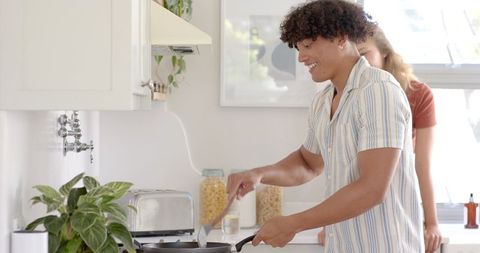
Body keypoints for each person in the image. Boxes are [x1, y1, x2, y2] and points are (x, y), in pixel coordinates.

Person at [226, 0, 424, 252]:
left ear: (341, 38)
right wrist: (259, 174)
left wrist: (294, 223)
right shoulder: (323, 101)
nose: (301, 57)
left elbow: (372, 188)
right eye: (298, 48)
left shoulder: (377, 91)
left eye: (308, 45)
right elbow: (308, 164)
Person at [317, 26, 442, 253]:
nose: (358, 63)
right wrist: (330, 224)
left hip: (395, 205)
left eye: (364, 55)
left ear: (384, 53)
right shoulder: (340, 96)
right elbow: (340, 170)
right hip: (356, 212)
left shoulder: (416, 94)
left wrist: (431, 222)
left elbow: (422, 164)